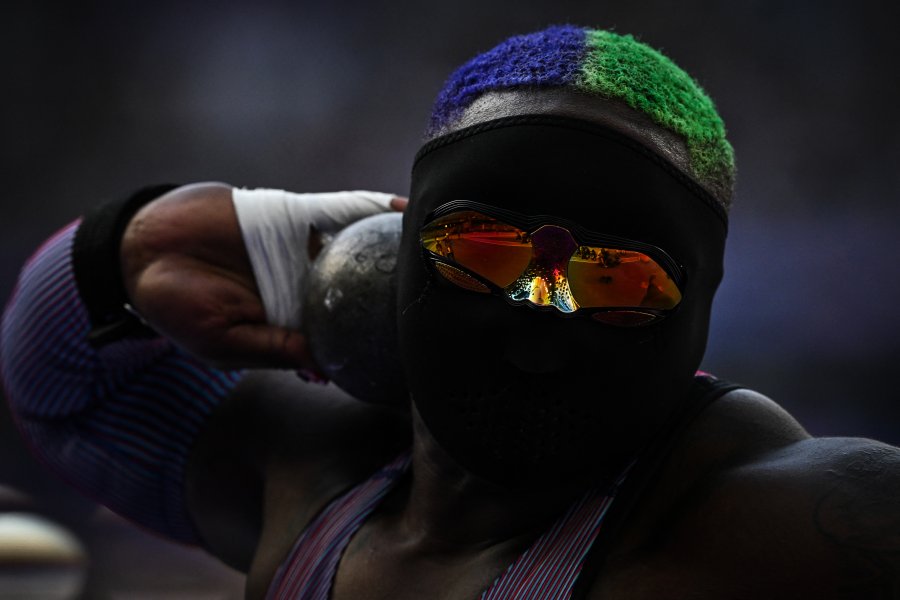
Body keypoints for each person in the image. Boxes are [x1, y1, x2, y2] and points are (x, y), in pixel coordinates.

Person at [2, 25, 899, 599]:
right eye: (487, 251)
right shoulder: (320, 475)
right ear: (396, 248)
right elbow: (55, 375)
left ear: (699, 300)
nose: (541, 319)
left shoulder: (780, 524)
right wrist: (136, 247)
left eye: (614, 279)